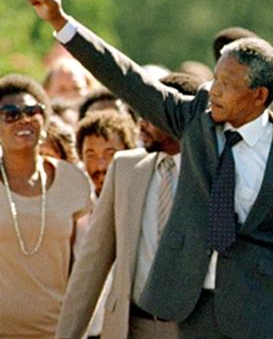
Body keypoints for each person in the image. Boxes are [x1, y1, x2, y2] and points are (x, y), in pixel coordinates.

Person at [29, 0, 273, 339]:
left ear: (258, 95)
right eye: (215, 77)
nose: (214, 89)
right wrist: (61, 22)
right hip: (189, 310)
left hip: (261, 316)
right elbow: (129, 79)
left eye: (227, 84)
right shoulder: (196, 118)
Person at [55, 73, 201, 339]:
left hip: (194, 329)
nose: (140, 123)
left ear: (180, 115)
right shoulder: (125, 168)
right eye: (138, 113)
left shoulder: (212, 173)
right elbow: (92, 263)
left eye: (150, 113)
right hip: (131, 327)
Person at [0, 74, 91, 337]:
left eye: (32, 111)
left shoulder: (73, 182)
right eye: (10, 113)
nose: (23, 119)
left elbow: (82, 263)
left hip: (57, 329)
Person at [76, 110, 138, 197]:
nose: (101, 166)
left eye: (110, 154)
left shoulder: (146, 201)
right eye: (91, 156)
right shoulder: (78, 206)